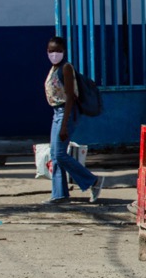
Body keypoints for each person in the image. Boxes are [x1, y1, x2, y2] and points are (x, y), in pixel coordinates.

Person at [43, 36, 103, 205]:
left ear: (64, 52)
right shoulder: (54, 68)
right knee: (55, 155)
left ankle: (93, 181)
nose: (54, 54)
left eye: (58, 51)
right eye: (51, 51)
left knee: (60, 154)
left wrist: (64, 125)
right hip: (57, 113)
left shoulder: (66, 68)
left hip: (66, 113)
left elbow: (70, 97)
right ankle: (59, 194)